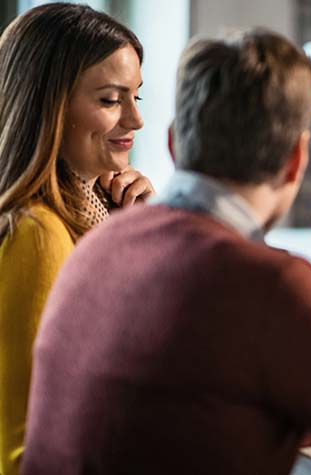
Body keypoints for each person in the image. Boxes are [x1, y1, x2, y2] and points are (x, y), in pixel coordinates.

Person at [22, 29, 311, 475]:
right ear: (297, 157)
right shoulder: (273, 287)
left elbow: (289, 391)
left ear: (174, 142)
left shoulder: (100, 241)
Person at [0, 5, 153, 473]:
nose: (134, 120)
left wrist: (137, 235)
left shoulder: (99, 214)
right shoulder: (38, 233)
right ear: (48, 106)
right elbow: (24, 445)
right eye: (110, 100)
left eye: (136, 98)